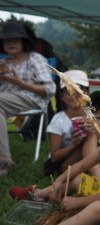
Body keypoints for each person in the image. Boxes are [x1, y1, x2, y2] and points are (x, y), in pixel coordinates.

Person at [9, 83, 100, 225]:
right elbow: (80, 165)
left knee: (98, 207)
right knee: (77, 179)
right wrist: (59, 181)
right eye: (98, 117)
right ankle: (37, 195)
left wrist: (76, 202)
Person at [0, 21, 56, 176]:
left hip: (31, 98)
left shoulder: (35, 59)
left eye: (15, 39)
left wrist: (20, 83)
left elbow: (49, 89)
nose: (10, 43)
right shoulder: (3, 63)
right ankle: (4, 158)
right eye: (6, 40)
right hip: (5, 100)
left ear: (23, 42)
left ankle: (5, 160)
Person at [43, 70, 100, 178]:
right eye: (69, 91)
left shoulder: (96, 116)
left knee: (93, 132)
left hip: (89, 159)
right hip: (66, 164)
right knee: (90, 134)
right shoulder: (58, 121)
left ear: (86, 93)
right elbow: (54, 158)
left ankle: (94, 176)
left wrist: (96, 128)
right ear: (62, 96)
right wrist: (74, 144)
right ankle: (99, 179)